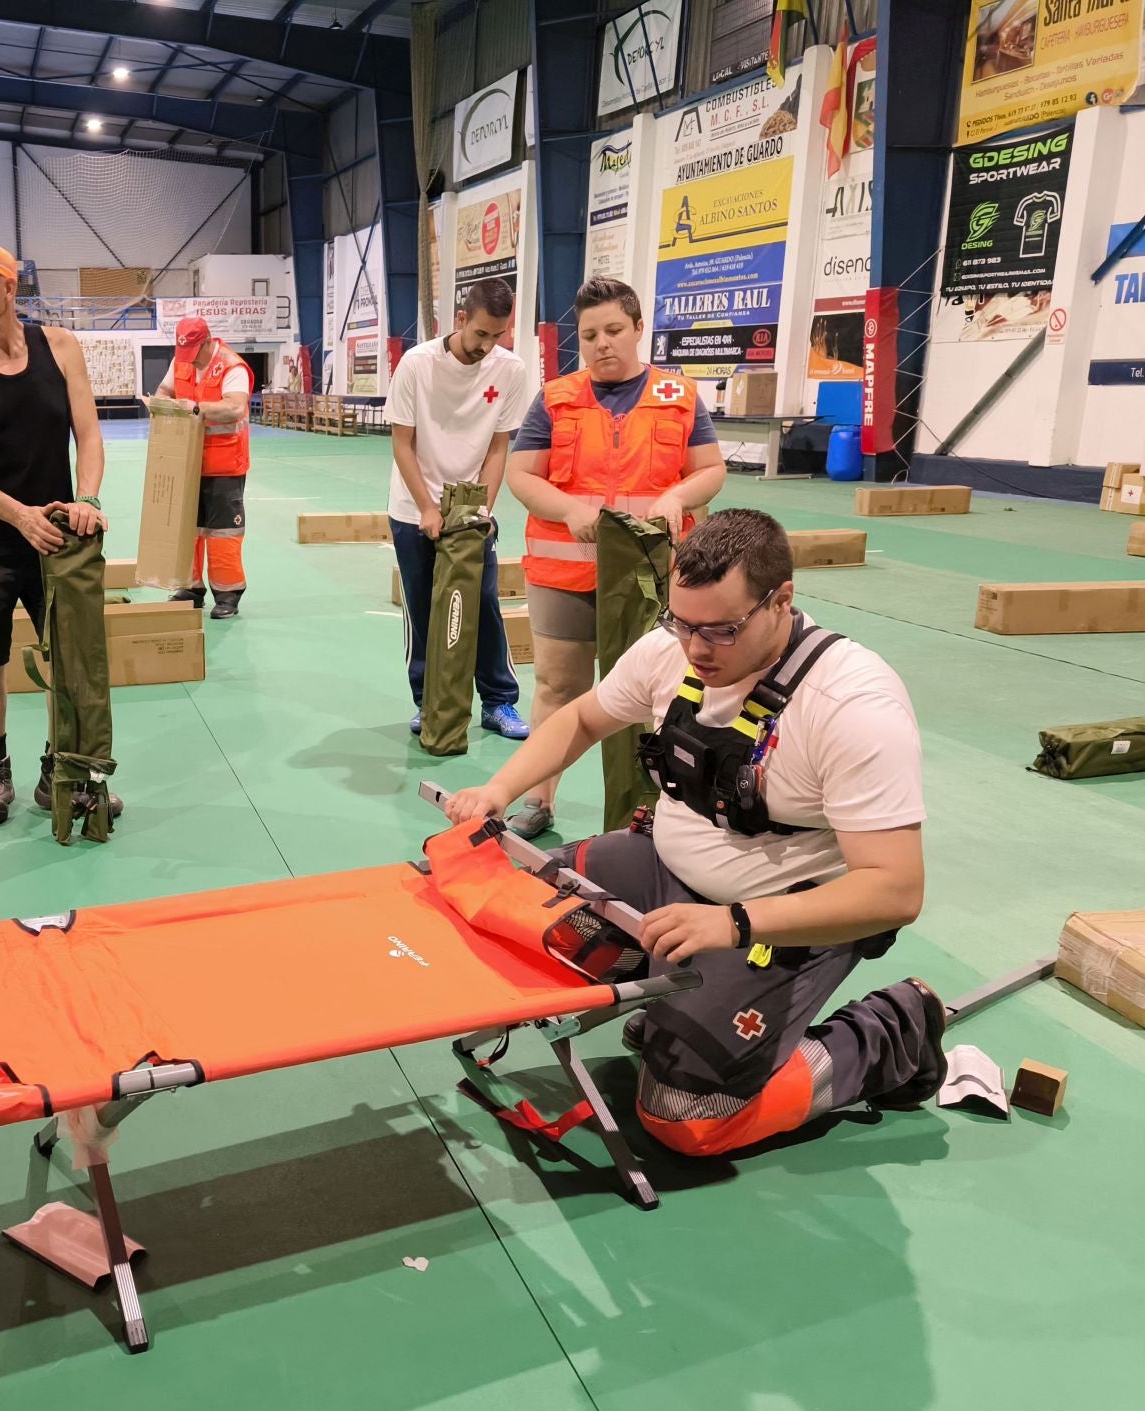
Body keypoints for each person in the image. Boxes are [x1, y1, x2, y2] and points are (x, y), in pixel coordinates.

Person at [445, 509, 944, 1157]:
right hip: (665, 869)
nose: (697, 649)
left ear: (783, 599)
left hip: (778, 919)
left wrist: (734, 923)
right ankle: (676, 995)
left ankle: (883, 1036)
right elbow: (583, 719)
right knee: (512, 904)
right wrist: (499, 790)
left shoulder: (852, 706)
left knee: (688, 1116)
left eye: (721, 630)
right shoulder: (671, 650)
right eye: (681, 623)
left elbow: (896, 892)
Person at [503, 276, 727, 838]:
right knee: (558, 686)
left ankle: (648, 811)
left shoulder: (680, 397)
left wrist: (677, 495)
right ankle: (539, 800)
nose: (602, 343)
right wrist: (566, 509)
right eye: (589, 334)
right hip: (564, 571)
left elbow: (711, 469)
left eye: (613, 330)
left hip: (652, 578)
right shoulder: (555, 398)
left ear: (638, 329)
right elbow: (520, 476)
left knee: (657, 694)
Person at [0, 240, 123, 826]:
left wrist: (87, 497)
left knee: (67, 660)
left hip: (56, 540)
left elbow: (88, 434)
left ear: (10, 288)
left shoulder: (59, 347)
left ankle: (57, 770)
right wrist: (19, 515)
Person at [388, 277, 534, 742]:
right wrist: (427, 508)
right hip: (413, 508)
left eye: (498, 336)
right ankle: (429, 702)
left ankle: (499, 701)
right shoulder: (417, 365)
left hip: (469, 510)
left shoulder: (509, 370)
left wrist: (481, 514)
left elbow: (497, 448)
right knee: (424, 607)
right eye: (480, 334)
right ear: (459, 320)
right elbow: (402, 444)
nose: (488, 346)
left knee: (485, 604)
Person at [152, 316, 253, 619]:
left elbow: (235, 407)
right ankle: (191, 588)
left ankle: (228, 594)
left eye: (195, 353)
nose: (189, 361)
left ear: (208, 342)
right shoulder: (182, 362)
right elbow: (164, 390)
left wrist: (196, 409)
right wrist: (162, 405)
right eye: (185, 354)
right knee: (189, 530)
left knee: (223, 533)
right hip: (188, 461)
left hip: (224, 465)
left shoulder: (232, 367)